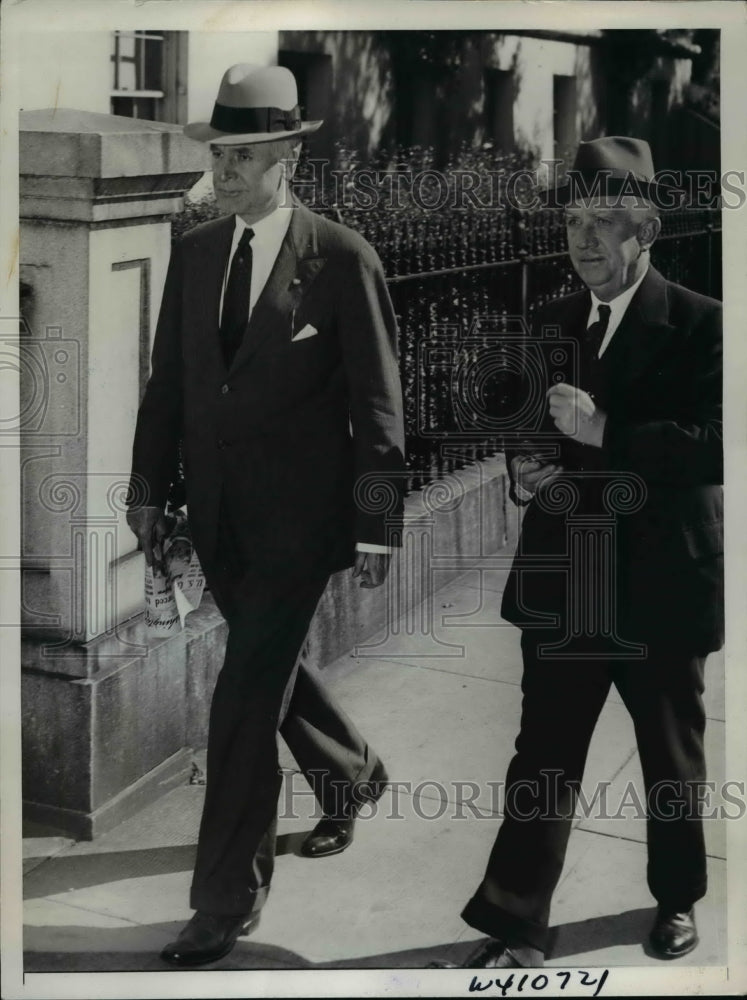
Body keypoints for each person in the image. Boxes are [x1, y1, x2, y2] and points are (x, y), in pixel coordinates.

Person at [126, 63, 406, 967]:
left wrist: (376, 523)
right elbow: (169, 386)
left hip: (298, 528)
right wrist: (147, 494)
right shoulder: (199, 250)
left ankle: (223, 901)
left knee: (241, 702)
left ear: (289, 154)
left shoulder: (342, 256)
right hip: (215, 516)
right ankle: (353, 773)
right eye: (221, 155)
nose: (229, 172)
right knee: (270, 673)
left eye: (247, 155)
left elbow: (378, 406)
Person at [445, 137, 723, 968]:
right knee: (544, 750)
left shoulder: (702, 324)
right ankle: (513, 920)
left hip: (660, 578)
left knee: (669, 753)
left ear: (646, 229)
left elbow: (716, 444)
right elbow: (533, 432)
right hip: (568, 574)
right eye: (573, 220)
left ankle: (675, 899)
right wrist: (525, 462)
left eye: (604, 221)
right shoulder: (552, 322)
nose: (584, 238)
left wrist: (604, 432)